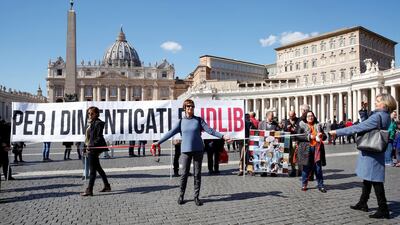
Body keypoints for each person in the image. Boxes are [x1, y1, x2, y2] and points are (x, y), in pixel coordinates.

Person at [329, 93, 396, 219]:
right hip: (375, 149)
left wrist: (337, 132)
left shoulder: (378, 117)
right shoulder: (385, 115)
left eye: (377, 101)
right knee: (368, 178)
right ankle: (363, 202)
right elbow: (366, 123)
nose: (375, 103)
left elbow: (359, 127)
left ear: (384, 103)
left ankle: (383, 209)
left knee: (376, 180)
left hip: (371, 150)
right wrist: (364, 111)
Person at [154, 99, 231, 206]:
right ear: (184, 108)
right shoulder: (181, 122)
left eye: (192, 106)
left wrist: (222, 136)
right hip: (185, 151)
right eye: (188, 106)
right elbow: (170, 133)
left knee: (197, 174)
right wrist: (158, 142)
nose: (190, 108)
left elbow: (210, 130)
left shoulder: (198, 120)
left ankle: (196, 196)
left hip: (198, 150)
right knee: (184, 174)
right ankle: (181, 195)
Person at [81, 106, 111, 197]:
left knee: (92, 170)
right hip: (90, 147)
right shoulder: (91, 123)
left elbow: (99, 137)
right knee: (98, 168)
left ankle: (89, 189)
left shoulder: (98, 123)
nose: (90, 115)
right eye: (89, 113)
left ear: (97, 114)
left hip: (94, 149)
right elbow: (88, 137)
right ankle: (107, 186)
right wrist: (85, 146)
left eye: (92, 113)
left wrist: (91, 145)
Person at [296, 111, 327, 192]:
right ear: (305, 118)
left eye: (312, 116)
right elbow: (298, 137)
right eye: (309, 116)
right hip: (306, 148)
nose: (311, 117)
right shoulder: (301, 125)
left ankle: (321, 185)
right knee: (306, 168)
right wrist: (310, 137)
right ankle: (304, 184)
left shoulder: (318, 125)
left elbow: (325, 136)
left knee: (318, 168)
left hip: (317, 148)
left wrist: (321, 135)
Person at [258, 111, 279, 177]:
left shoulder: (275, 123)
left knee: (272, 157)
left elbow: (278, 131)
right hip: (264, 142)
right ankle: (264, 171)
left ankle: (273, 171)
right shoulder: (261, 123)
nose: (272, 117)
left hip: (272, 143)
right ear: (267, 116)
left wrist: (275, 132)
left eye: (273, 115)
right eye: (271, 116)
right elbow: (258, 132)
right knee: (264, 156)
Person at [0, 121, 15, 185]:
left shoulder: (4, 126)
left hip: (3, 148)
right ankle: (8, 175)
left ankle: (8, 175)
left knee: (6, 163)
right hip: (2, 147)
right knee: (5, 163)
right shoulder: (5, 126)